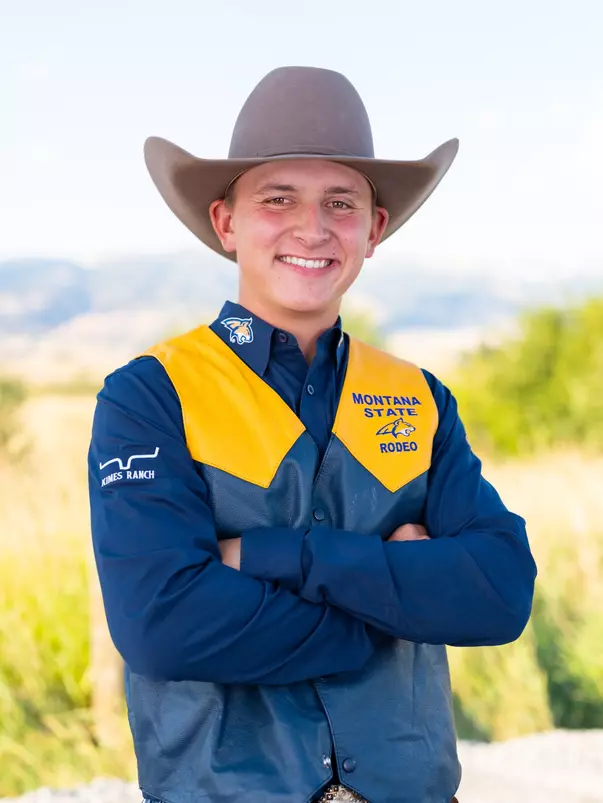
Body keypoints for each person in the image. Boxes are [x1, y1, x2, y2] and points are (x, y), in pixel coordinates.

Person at [88, 66, 537, 803]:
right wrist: (394, 606)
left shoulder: (420, 399)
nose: (312, 227)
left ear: (373, 229)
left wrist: (274, 557)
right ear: (226, 223)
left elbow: (499, 592)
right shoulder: (150, 396)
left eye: (340, 202)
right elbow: (162, 624)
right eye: (278, 199)